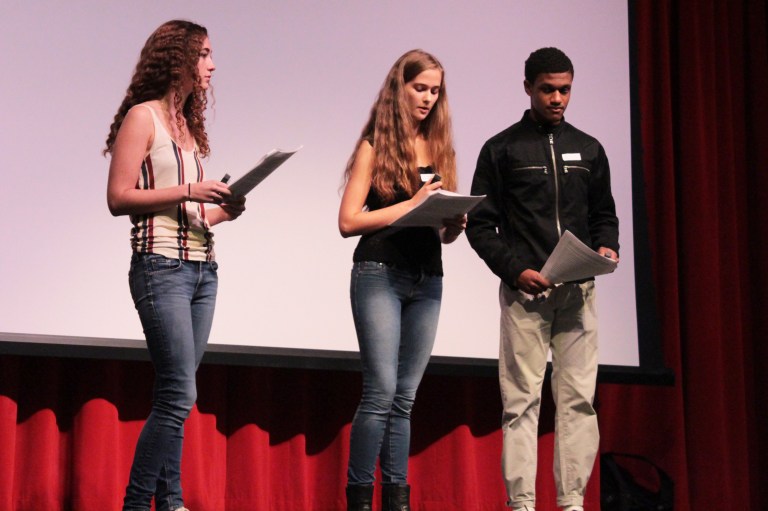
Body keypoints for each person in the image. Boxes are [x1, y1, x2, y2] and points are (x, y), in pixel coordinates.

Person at [465, 47, 620, 511]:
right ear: (528, 87)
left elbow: (604, 214)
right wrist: (514, 270)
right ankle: (522, 504)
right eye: (548, 89)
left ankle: (571, 502)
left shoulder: (589, 148)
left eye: (565, 90)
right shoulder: (502, 149)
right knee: (521, 404)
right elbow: (480, 224)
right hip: (526, 295)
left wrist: (607, 246)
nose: (557, 99)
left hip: (578, 293)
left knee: (578, 402)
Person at [104, 20, 246, 511]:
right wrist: (189, 189)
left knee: (176, 395)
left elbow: (193, 213)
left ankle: (172, 502)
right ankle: (138, 503)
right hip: (160, 266)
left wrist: (223, 210)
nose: (212, 65)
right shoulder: (143, 117)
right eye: (203, 54)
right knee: (179, 393)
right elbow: (119, 197)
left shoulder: (187, 126)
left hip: (202, 269)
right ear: (177, 58)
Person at [338, 49, 466, 511]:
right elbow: (348, 221)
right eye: (420, 88)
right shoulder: (374, 145)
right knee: (380, 393)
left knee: (405, 398)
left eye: (435, 91)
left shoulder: (438, 148)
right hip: (380, 273)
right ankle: (359, 499)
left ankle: (397, 500)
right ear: (401, 87)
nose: (428, 98)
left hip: (427, 278)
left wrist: (453, 224)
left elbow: (440, 232)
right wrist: (412, 205)